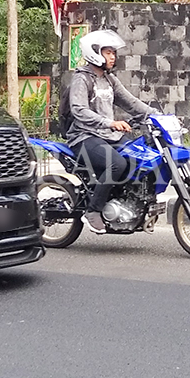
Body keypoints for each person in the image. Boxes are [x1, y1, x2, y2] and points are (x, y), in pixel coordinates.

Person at [65, 29, 157, 233]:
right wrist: (110, 122)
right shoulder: (82, 79)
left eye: (113, 53)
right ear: (95, 52)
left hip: (108, 135)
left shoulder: (109, 79)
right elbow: (79, 110)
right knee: (117, 163)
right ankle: (93, 211)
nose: (113, 56)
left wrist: (157, 115)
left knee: (139, 158)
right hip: (83, 136)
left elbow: (131, 102)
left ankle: (122, 200)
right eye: (108, 52)